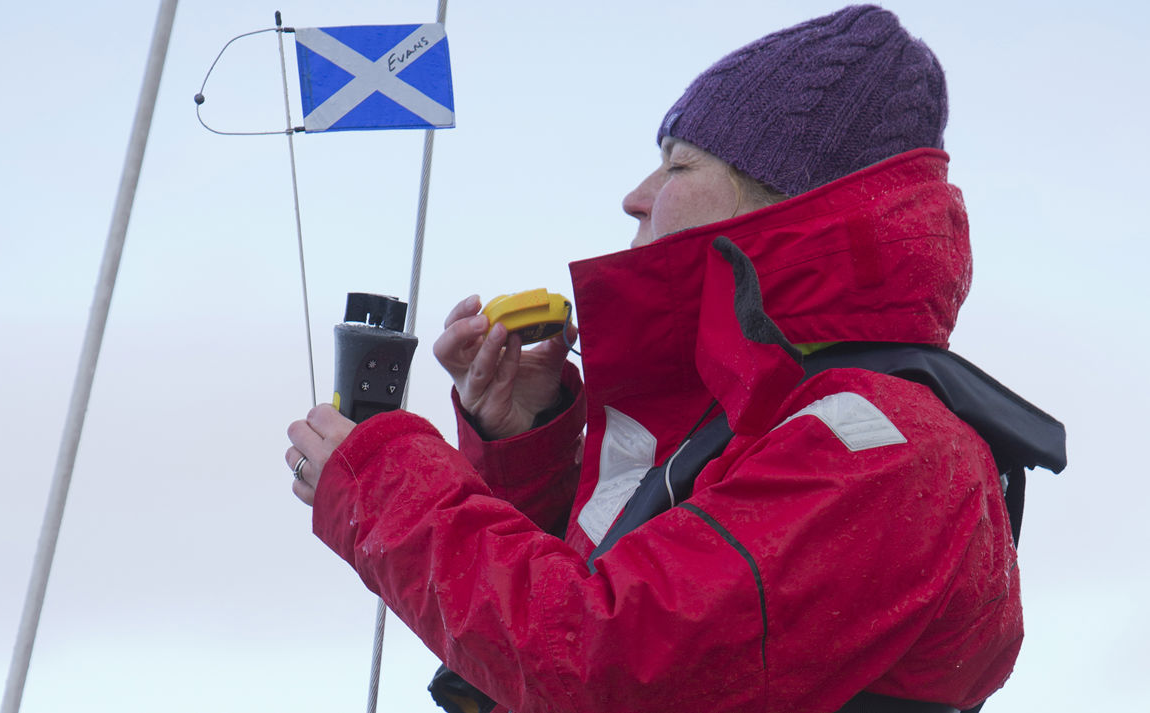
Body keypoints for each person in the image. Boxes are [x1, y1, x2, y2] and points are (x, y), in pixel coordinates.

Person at [284, 5, 1065, 712]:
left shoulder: (886, 446)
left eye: (680, 165)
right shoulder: (753, 426)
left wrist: (383, 484)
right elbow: (585, 634)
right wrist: (526, 443)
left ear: (789, 202)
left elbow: (606, 664)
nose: (636, 194)